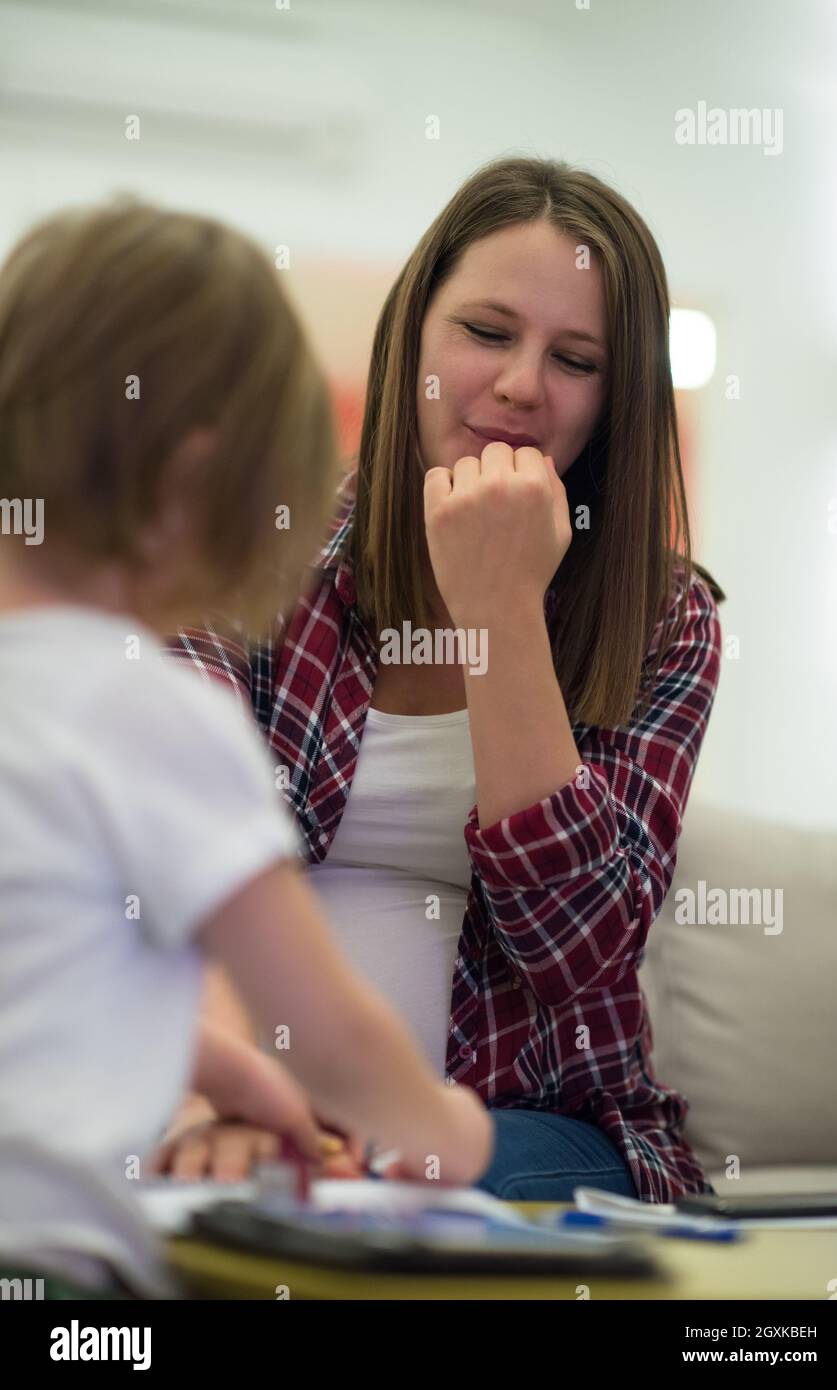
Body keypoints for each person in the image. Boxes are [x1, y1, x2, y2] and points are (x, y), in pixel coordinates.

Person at [164, 155, 726, 1204]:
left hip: (528, 1124)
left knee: (371, 1191)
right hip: (249, 1084)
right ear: (414, 333)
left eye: (575, 358)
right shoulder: (246, 550)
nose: (521, 384)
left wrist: (503, 611)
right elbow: (177, 853)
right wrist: (240, 1097)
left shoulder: (667, 619)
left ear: (616, 398)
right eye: (486, 332)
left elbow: (580, 952)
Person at [0, 198, 493, 1298]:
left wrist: (235, 1078)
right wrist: (445, 1131)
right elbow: (325, 1033)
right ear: (193, 485)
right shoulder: (149, 708)